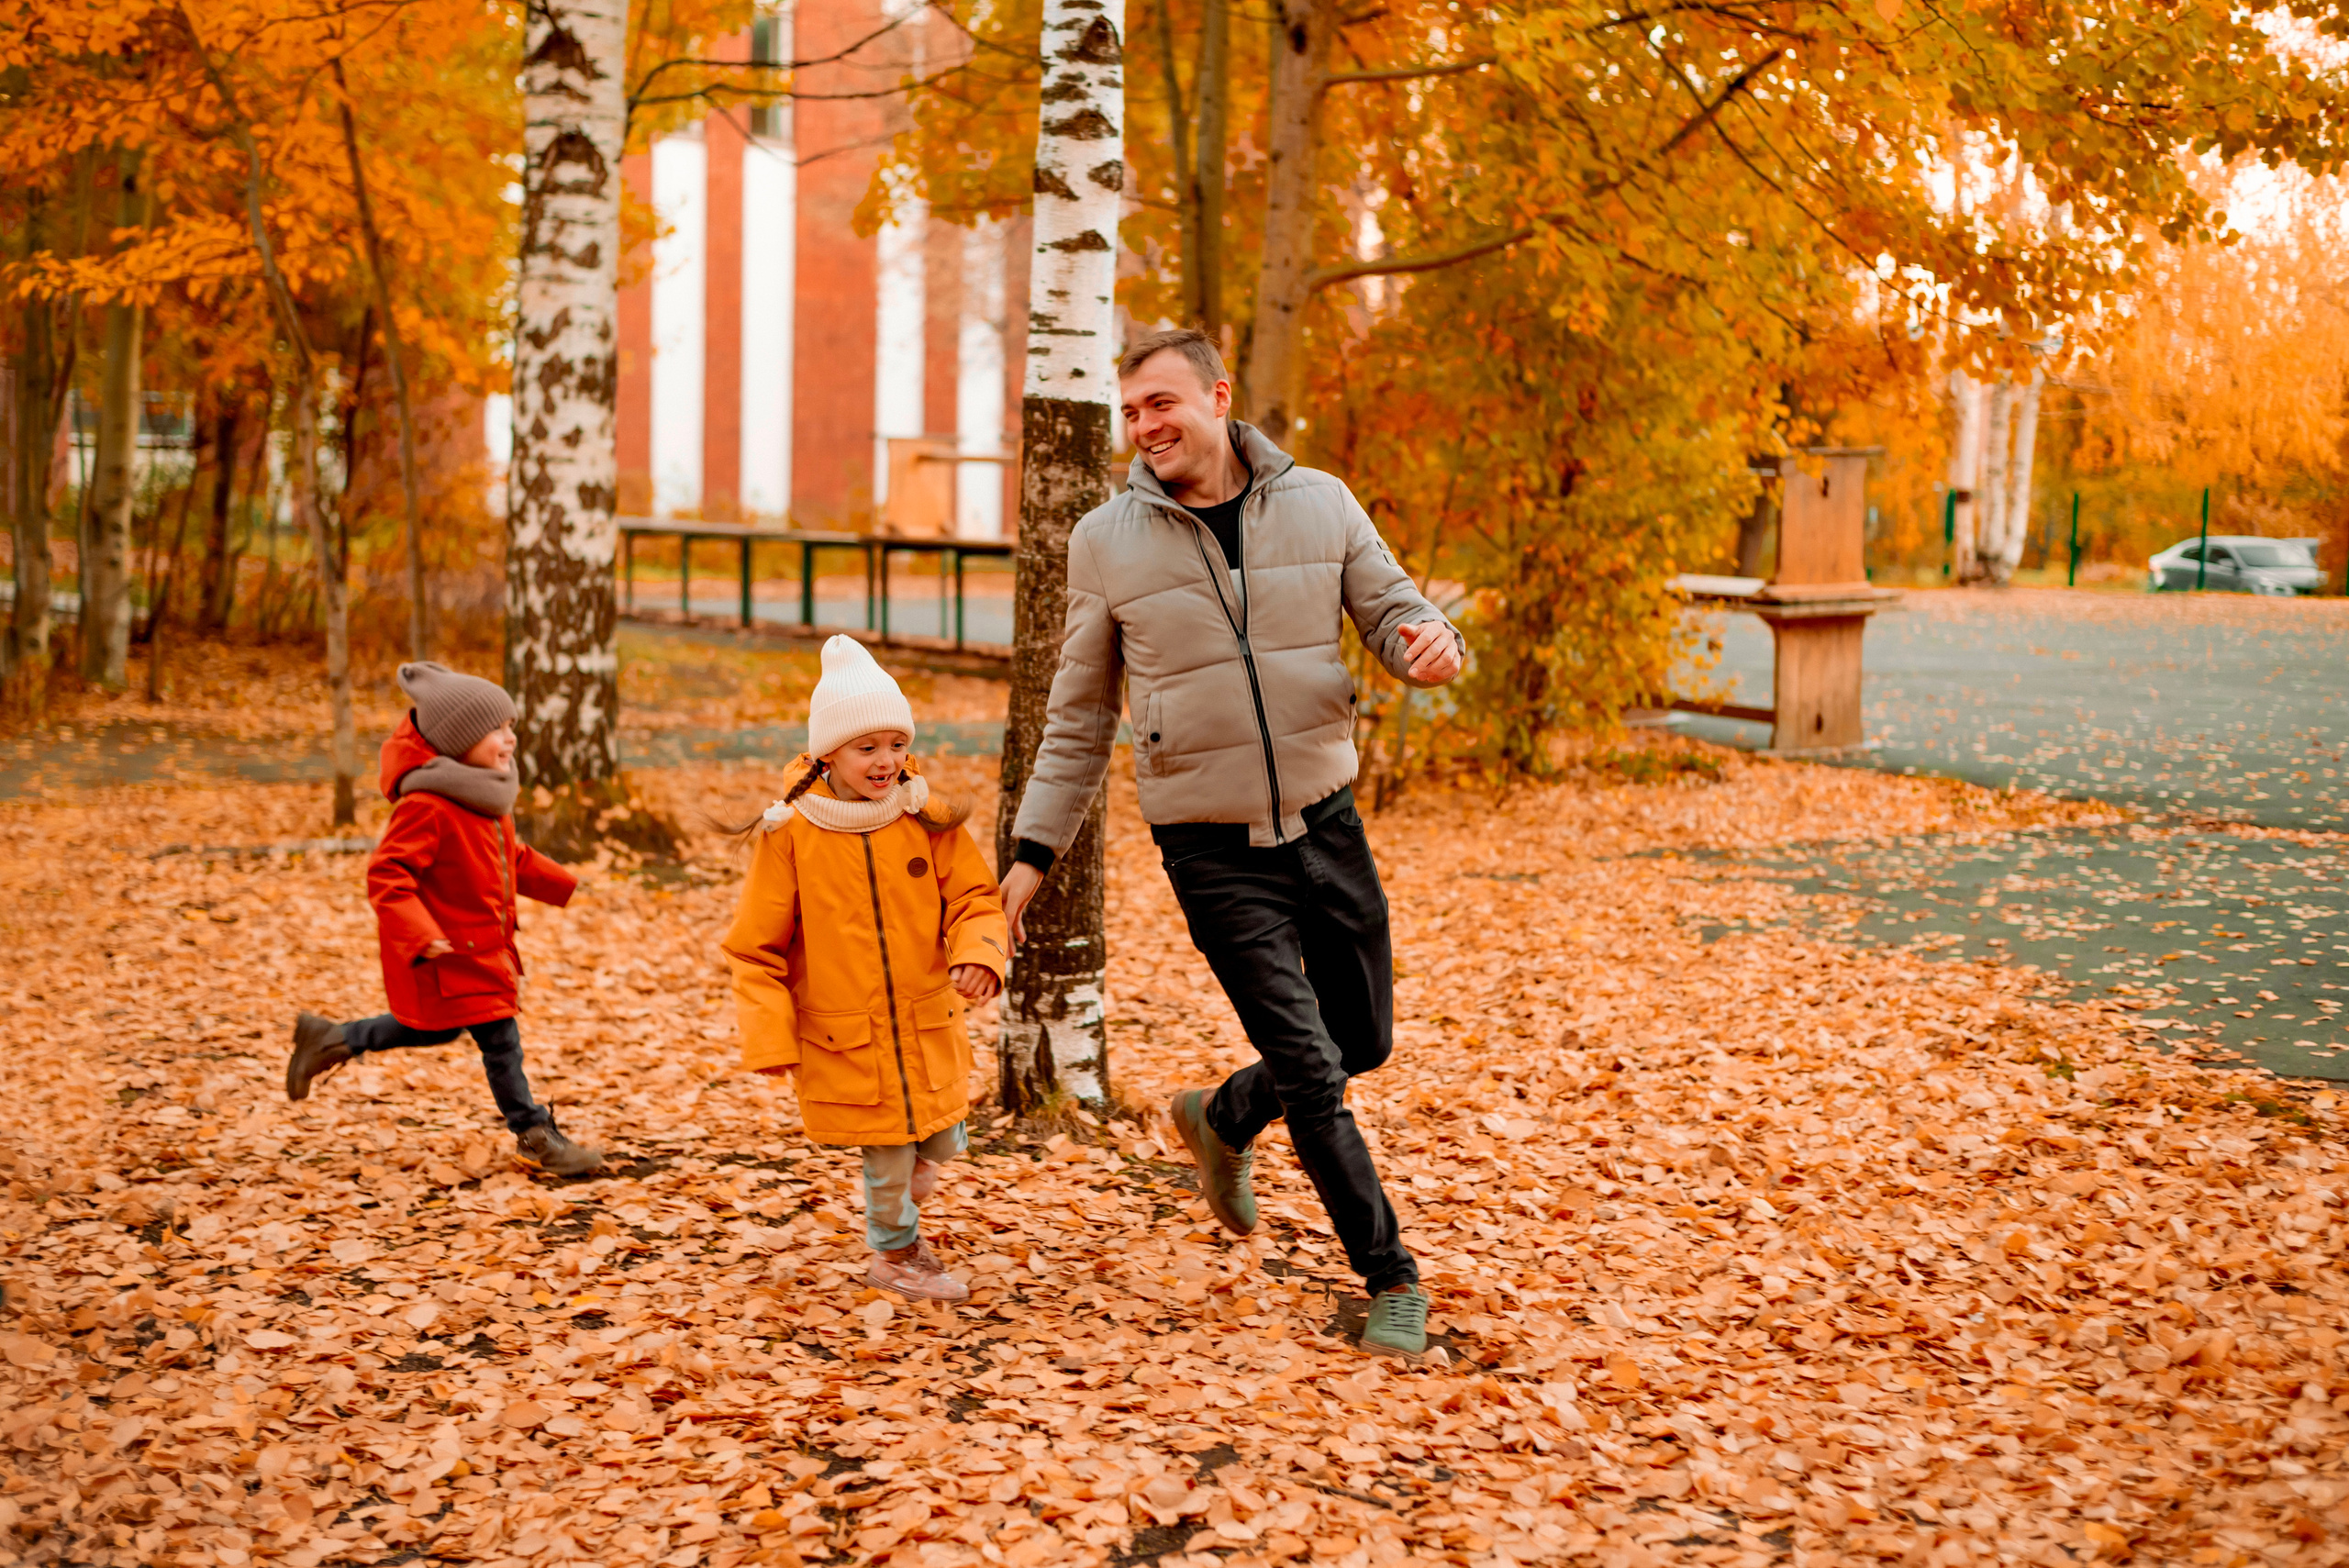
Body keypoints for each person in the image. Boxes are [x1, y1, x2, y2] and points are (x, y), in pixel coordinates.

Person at [999, 328, 1465, 1360]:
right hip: (1209, 847)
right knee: (1313, 1070)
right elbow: (1076, 717)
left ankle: (1217, 1113)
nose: (1146, 426)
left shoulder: (1322, 503)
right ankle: (1389, 1276)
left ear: (1217, 395)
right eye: (1130, 413)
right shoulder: (1106, 540)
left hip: (1325, 819)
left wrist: (1431, 648)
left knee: (1363, 1039)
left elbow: (1399, 614)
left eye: (1161, 403)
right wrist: (1031, 858)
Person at [720, 637, 1009, 1303]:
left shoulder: (926, 819)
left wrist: (978, 953)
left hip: (926, 1019)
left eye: (896, 744)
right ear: (829, 752)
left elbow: (973, 898)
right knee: (885, 1157)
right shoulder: (791, 833)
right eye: (866, 747)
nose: (886, 762)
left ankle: (914, 1179)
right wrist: (770, 1037)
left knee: (941, 1138)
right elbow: (755, 947)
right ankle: (897, 1252)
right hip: (846, 1035)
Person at [286, 662, 604, 1176]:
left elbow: (510, 857)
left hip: (481, 948)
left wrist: (563, 884)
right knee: (501, 1042)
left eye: (511, 727)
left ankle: (331, 1040)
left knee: (434, 1032)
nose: (510, 740)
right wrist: (422, 933)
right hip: (448, 951)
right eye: (497, 730)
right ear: (460, 741)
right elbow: (388, 876)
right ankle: (534, 1133)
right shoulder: (429, 806)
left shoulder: (486, 794)